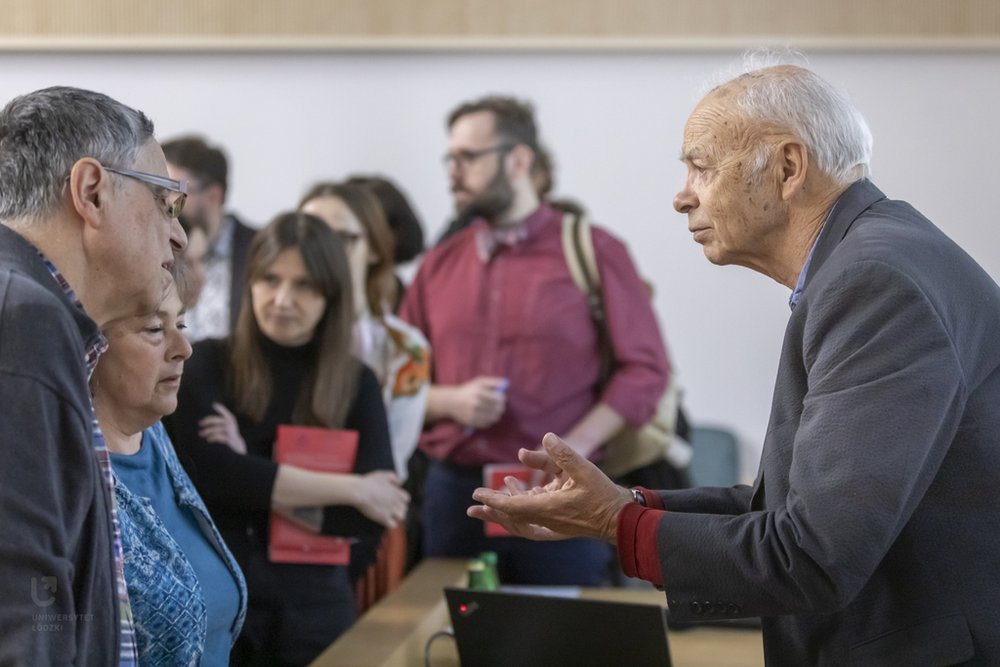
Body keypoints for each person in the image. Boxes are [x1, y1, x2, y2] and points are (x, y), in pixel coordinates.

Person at [470, 60, 1000, 665]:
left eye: (701, 165)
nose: (681, 195)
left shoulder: (873, 281)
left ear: (788, 167)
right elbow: (790, 510)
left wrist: (616, 523)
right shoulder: (871, 257)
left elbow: (814, 554)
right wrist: (627, 506)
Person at [399, 95, 669, 585]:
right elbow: (394, 378)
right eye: (449, 158)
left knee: (562, 637)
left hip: (560, 492)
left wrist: (576, 446)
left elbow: (645, 371)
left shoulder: (593, 250)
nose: (452, 171)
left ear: (518, 159)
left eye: (467, 157)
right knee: (449, 640)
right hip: (454, 494)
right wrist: (449, 400)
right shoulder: (437, 266)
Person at [166, 212, 408, 666]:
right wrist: (350, 488)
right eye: (269, 279)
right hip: (223, 600)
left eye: (304, 286)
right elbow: (213, 478)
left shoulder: (356, 382)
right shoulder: (208, 364)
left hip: (316, 607)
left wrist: (251, 471)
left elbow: (371, 518)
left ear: (330, 296)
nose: (281, 299)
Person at [0, 86, 187, 665]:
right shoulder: (22, 319)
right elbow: (24, 611)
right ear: (91, 192)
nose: (178, 237)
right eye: (166, 204)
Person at [92, 275, 247, 665]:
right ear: (91, 344)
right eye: (155, 329)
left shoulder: (155, 435)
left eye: (182, 324)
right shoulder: (68, 473)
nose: (184, 349)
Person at [300, 181, 431, 480]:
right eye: (310, 236)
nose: (324, 252)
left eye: (342, 238)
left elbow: (391, 461)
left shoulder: (405, 348)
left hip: (363, 512)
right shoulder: (278, 333)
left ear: (373, 248)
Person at [162, 135, 256, 341]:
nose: (164, 201)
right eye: (159, 188)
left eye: (173, 190)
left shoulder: (258, 249)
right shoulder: (153, 243)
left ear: (214, 196)